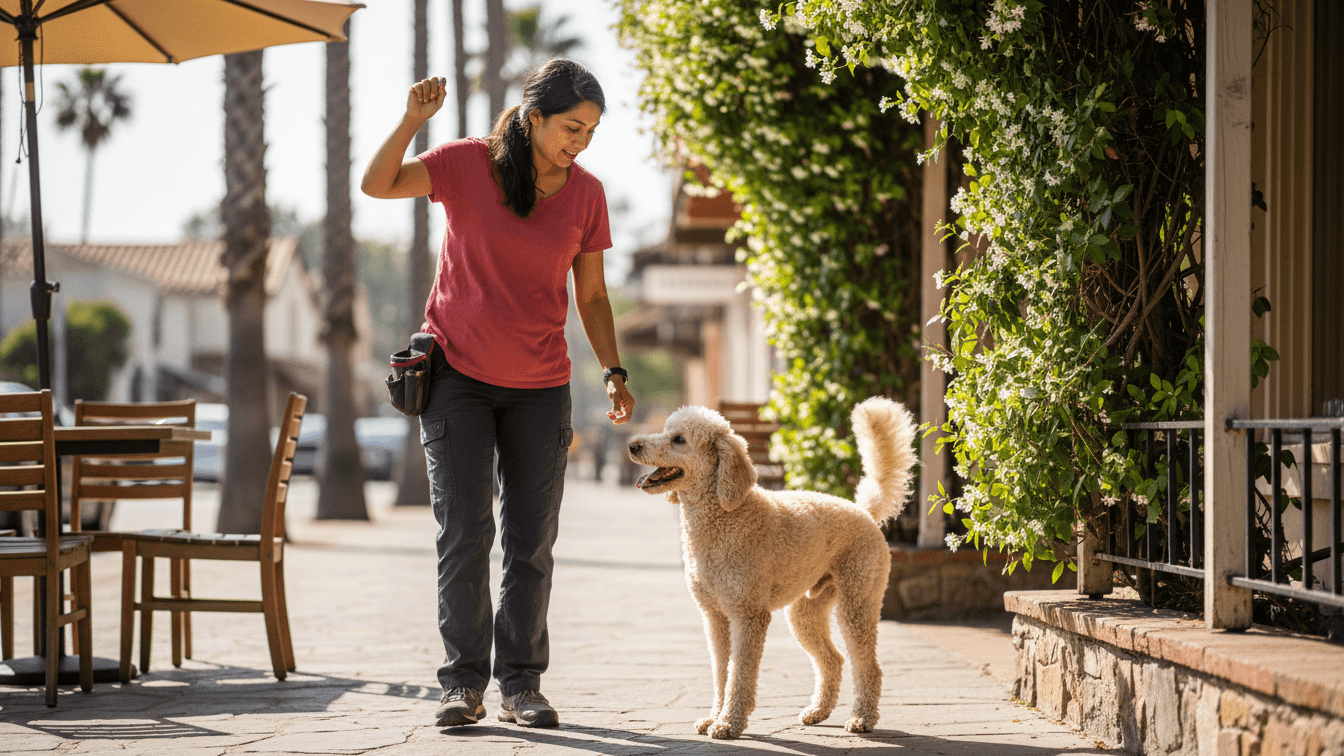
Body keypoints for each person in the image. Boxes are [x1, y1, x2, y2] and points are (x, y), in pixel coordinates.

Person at [361, 59, 635, 729]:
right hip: (457, 377)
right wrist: (410, 122)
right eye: (572, 127)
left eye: (592, 131)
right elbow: (377, 185)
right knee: (464, 533)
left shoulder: (586, 194)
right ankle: (461, 683)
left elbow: (592, 295)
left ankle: (521, 684)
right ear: (534, 117)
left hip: (542, 386)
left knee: (531, 541)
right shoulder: (464, 165)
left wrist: (613, 372)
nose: (581, 142)